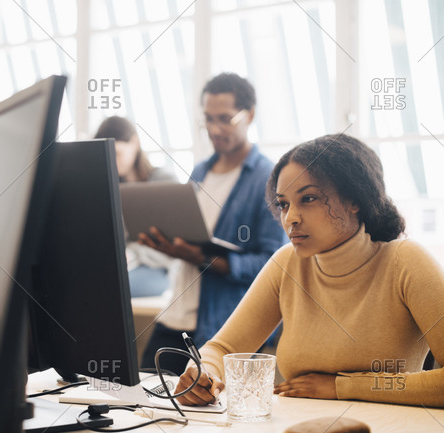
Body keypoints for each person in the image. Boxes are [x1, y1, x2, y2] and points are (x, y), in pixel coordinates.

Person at [174, 134, 444, 408]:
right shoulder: (287, 263)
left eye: (309, 198)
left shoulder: (405, 261)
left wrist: (343, 386)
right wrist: (202, 373)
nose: (290, 218)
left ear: (355, 200)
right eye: (283, 204)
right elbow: (223, 348)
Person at [138, 73, 287, 374]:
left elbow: (271, 265)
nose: (214, 129)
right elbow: (188, 238)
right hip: (175, 316)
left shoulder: (267, 179)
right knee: (144, 401)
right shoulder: (200, 171)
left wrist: (204, 258)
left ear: (250, 115)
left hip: (221, 327)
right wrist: (166, 245)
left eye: (225, 119)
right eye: (208, 119)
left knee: (208, 415)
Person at [94, 116, 177, 297]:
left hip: (158, 267)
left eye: (117, 153)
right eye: (105, 155)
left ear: (135, 143)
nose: (112, 161)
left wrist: (132, 254)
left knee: (112, 290)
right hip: (122, 266)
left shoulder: (163, 182)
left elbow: (172, 242)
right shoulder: (108, 188)